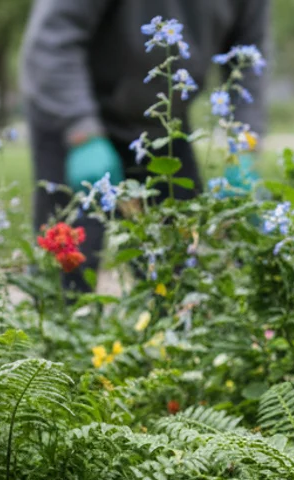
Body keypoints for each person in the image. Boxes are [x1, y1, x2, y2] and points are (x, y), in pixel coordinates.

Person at [20, 0, 269, 290]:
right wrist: (81, 132)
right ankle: (60, 325)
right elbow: (52, 40)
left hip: (160, 122)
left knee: (178, 266)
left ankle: (168, 329)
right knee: (68, 263)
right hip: (72, 111)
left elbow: (250, 56)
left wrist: (244, 147)